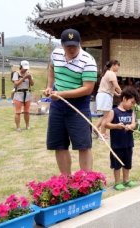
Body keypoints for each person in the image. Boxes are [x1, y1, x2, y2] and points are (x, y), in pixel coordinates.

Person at [44, 28, 97, 175]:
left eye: (75, 46)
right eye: (68, 46)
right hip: (57, 106)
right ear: (62, 44)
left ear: (80, 43)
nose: (72, 49)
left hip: (78, 107)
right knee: (59, 144)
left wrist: (61, 94)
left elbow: (87, 89)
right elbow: (51, 67)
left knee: (83, 145)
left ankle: (86, 181)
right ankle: (65, 179)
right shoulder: (56, 54)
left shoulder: (88, 61)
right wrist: (49, 86)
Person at [105, 87, 140, 191]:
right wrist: (116, 126)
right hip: (117, 144)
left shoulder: (131, 112)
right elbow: (106, 124)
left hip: (128, 143)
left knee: (127, 162)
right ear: (124, 98)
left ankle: (126, 180)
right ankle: (117, 182)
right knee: (117, 163)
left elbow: (134, 124)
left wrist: (131, 126)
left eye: (134, 103)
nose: (132, 105)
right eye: (131, 102)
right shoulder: (114, 111)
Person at [95, 60, 122, 140]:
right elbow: (116, 86)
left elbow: (109, 87)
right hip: (105, 96)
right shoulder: (111, 73)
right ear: (113, 65)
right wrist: (123, 94)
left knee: (104, 116)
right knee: (107, 117)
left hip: (102, 95)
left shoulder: (107, 73)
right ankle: (102, 135)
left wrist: (117, 94)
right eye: (117, 65)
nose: (118, 67)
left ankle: (95, 129)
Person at [12, 60, 34, 131]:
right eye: (24, 68)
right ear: (20, 67)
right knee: (18, 112)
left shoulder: (29, 73)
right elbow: (16, 84)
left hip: (27, 94)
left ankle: (27, 126)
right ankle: (18, 127)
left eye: (27, 68)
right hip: (18, 94)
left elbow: (32, 84)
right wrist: (23, 78)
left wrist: (30, 78)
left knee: (27, 111)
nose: (25, 69)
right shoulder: (16, 73)